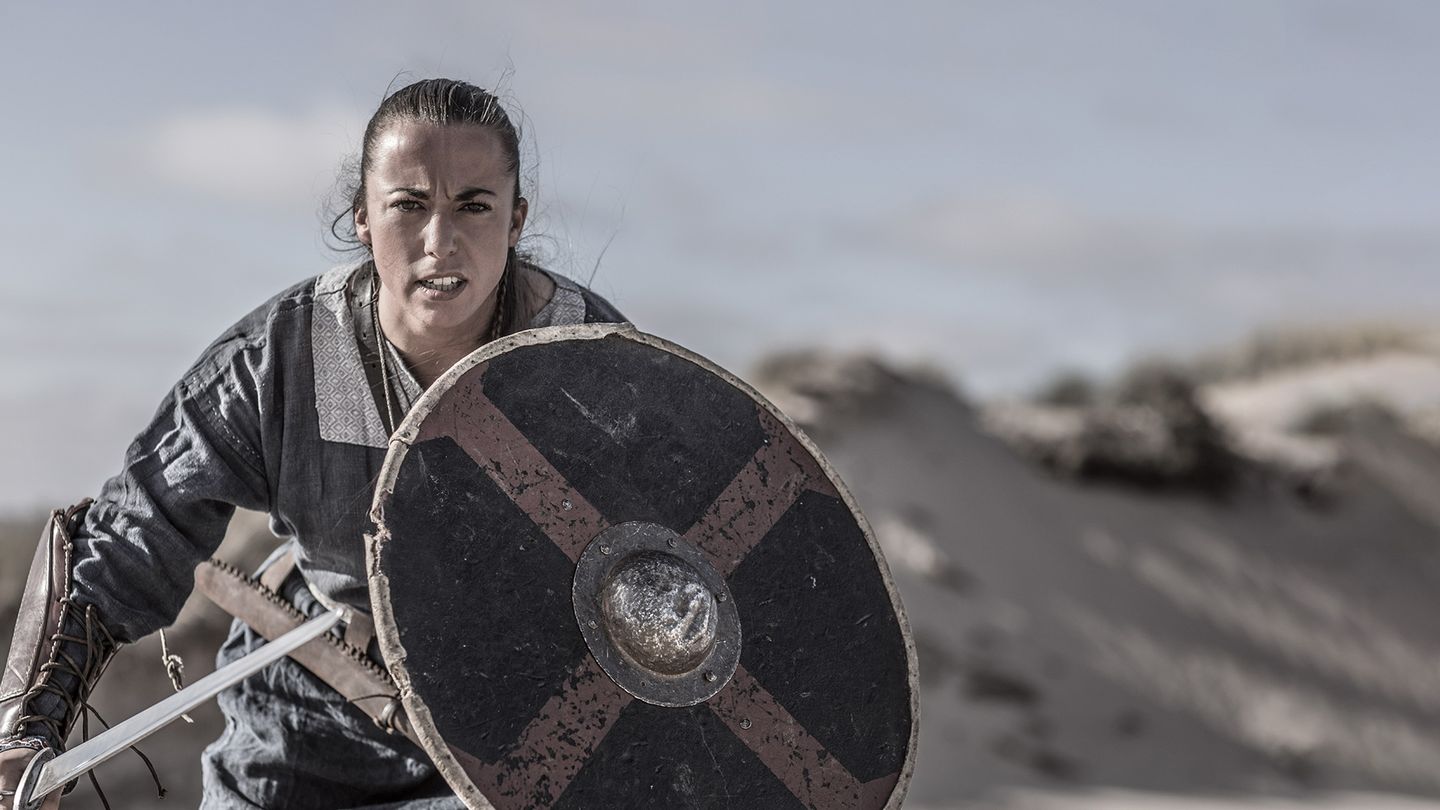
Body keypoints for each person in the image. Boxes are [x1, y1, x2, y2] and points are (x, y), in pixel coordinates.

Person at [0, 78, 625, 809]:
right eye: (409, 205)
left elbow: (691, 563)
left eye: (474, 206)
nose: (439, 241)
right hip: (303, 722)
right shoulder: (288, 355)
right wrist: (26, 728)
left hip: (521, 742)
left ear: (515, 220)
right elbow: (135, 531)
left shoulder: (595, 365)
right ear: (364, 216)